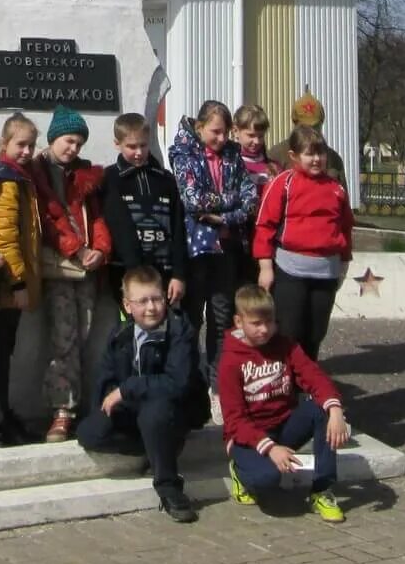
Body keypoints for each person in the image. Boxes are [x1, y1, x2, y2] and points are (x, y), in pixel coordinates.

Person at [77, 263, 210, 524]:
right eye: (143, 301)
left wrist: (127, 389)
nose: (151, 308)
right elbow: (105, 380)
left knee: (155, 410)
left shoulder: (179, 330)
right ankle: (154, 448)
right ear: (128, 306)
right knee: (90, 432)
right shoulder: (120, 334)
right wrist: (104, 407)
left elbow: (177, 383)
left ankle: (169, 487)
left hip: (175, 407)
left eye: (157, 299)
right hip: (136, 409)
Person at [218, 284, 349, 524]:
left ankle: (322, 489)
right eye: (256, 323)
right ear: (239, 322)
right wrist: (270, 448)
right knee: (267, 480)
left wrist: (335, 409)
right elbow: (235, 420)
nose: (265, 329)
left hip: (284, 426)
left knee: (321, 408)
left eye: (270, 322)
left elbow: (314, 376)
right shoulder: (229, 361)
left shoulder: (286, 346)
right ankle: (239, 471)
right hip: (248, 437)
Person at [35, 104, 112, 442]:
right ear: (54, 138)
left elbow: (96, 216)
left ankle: (84, 404)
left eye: (79, 143)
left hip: (88, 269)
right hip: (59, 267)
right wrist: (76, 250)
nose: (74, 148)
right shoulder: (38, 173)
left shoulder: (87, 175)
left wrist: (101, 249)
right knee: (62, 338)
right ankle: (62, 409)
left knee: (86, 334)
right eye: (68, 141)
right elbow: (48, 217)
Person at [171, 100, 257, 382]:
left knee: (222, 316)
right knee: (192, 316)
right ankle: (191, 378)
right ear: (199, 128)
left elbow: (250, 199)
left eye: (225, 132)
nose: (221, 139)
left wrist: (223, 217)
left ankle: (219, 381)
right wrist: (231, 201)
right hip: (197, 248)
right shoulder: (185, 154)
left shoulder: (234, 154)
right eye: (214, 132)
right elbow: (193, 200)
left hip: (227, 245)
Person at [254, 125, 355, 360]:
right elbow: (264, 225)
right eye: (309, 154)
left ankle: (307, 386)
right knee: (290, 330)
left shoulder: (336, 189)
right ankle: (285, 386)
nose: (316, 159)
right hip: (291, 271)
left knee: (315, 333)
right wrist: (265, 267)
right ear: (294, 156)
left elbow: (345, 228)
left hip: (326, 272)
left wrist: (343, 265)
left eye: (320, 153)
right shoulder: (283, 183)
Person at [0, 112, 42, 445]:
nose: (26, 151)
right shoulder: (6, 182)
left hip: (10, 284)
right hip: (6, 286)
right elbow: (5, 238)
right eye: (20, 144)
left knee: (2, 352)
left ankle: (0, 414)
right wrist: (17, 282)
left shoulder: (19, 177)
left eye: (31, 145)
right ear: (4, 144)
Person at [100, 111, 187, 309]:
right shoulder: (110, 178)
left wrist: (178, 274)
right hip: (125, 273)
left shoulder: (166, 179)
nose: (138, 152)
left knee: (165, 330)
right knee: (129, 331)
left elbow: (178, 228)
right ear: (117, 143)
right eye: (131, 147)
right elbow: (118, 228)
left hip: (164, 272)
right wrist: (134, 273)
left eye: (143, 145)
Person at [231, 104, 275, 284]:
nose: (256, 141)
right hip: (236, 240)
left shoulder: (273, 168)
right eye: (250, 135)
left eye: (260, 136)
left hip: (264, 241)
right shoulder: (229, 164)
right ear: (235, 131)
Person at [270, 89, 347, 179]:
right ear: (295, 124)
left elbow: (342, 192)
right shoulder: (277, 155)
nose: (310, 132)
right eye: (304, 128)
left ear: (321, 124)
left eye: (315, 127)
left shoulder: (333, 159)